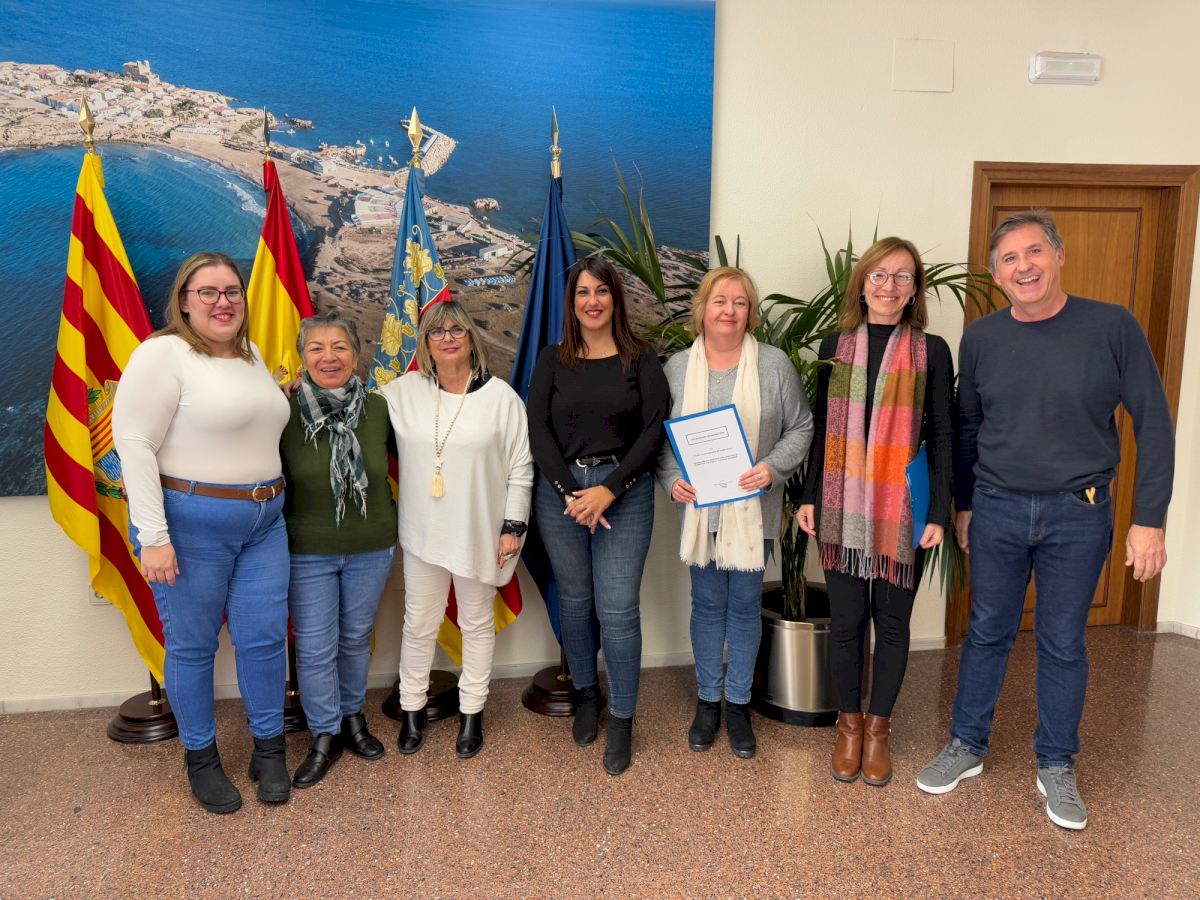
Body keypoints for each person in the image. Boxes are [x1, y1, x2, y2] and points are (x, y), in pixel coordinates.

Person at [916, 210, 1174, 830]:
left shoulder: (1111, 326)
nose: (1023, 266)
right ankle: (967, 744)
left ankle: (1056, 763)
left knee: (1062, 641)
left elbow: (1154, 423)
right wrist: (965, 505)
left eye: (1034, 252)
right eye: (1009, 258)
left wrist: (1149, 519)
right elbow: (970, 427)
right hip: (997, 508)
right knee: (987, 631)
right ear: (997, 274)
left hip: (1077, 513)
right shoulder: (982, 338)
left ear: (1059, 256)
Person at [113, 251, 292, 813]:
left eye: (232, 291)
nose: (223, 302)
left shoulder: (251, 355)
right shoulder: (162, 354)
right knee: (192, 646)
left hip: (266, 522)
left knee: (264, 639)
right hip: (191, 525)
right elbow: (134, 444)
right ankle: (202, 759)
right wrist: (153, 536)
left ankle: (269, 751)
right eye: (208, 292)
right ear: (184, 302)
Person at [796, 238, 955, 787]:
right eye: (879, 275)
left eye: (903, 276)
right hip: (841, 506)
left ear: (915, 290)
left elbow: (943, 434)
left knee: (891, 623)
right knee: (846, 623)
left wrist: (939, 511)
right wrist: (810, 496)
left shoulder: (932, 351)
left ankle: (878, 730)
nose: (890, 286)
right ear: (862, 284)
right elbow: (822, 429)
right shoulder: (834, 345)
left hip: (902, 508)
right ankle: (848, 726)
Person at [659, 266, 812, 759]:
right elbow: (659, 440)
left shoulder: (773, 365)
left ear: (751, 313)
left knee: (744, 606)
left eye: (740, 302)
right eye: (720, 301)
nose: (729, 310)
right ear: (702, 309)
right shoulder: (676, 369)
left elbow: (802, 427)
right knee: (707, 605)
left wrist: (771, 469)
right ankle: (709, 702)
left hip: (754, 508)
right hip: (699, 511)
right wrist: (672, 480)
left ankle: (739, 704)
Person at [527, 256, 671, 776]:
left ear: (615, 299)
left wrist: (608, 490)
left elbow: (654, 430)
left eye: (602, 291)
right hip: (560, 495)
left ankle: (623, 717)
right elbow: (537, 430)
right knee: (575, 600)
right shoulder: (552, 359)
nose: (593, 301)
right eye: (583, 292)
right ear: (571, 303)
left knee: (618, 609)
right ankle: (588, 694)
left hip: (624, 492)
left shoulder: (642, 357)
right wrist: (572, 494)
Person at [379, 301, 533, 759]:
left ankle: (472, 714)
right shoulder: (402, 393)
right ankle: (412, 711)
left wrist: (513, 527)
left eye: (456, 330)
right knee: (418, 623)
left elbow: (521, 469)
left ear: (471, 337)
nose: (447, 337)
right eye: (436, 331)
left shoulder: (501, 398)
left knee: (476, 623)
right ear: (425, 343)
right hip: (422, 533)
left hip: (479, 531)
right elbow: (354, 414)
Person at [280, 311, 397, 788]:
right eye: (317, 348)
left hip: (372, 545)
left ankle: (352, 718)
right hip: (307, 549)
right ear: (302, 358)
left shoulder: (380, 409)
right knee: (314, 647)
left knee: (355, 638)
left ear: (356, 355)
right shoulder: (282, 411)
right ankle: (325, 733)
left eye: (340, 347)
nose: (329, 357)